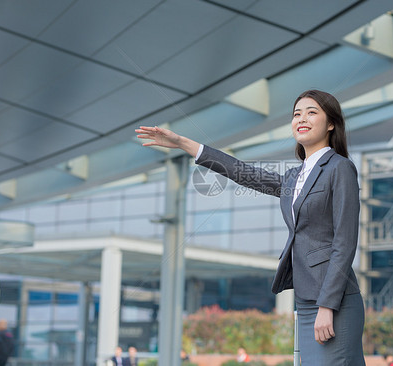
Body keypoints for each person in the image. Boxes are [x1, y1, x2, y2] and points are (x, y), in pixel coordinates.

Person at [137, 89, 365, 365]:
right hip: (307, 301)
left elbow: (345, 242)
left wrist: (327, 305)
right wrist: (185, 144)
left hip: (334, 301)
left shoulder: (339, 168)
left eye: (312, 112)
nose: (301, 118)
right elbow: (243, 173)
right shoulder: (295, 176)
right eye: (296, 114)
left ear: (331, 124)